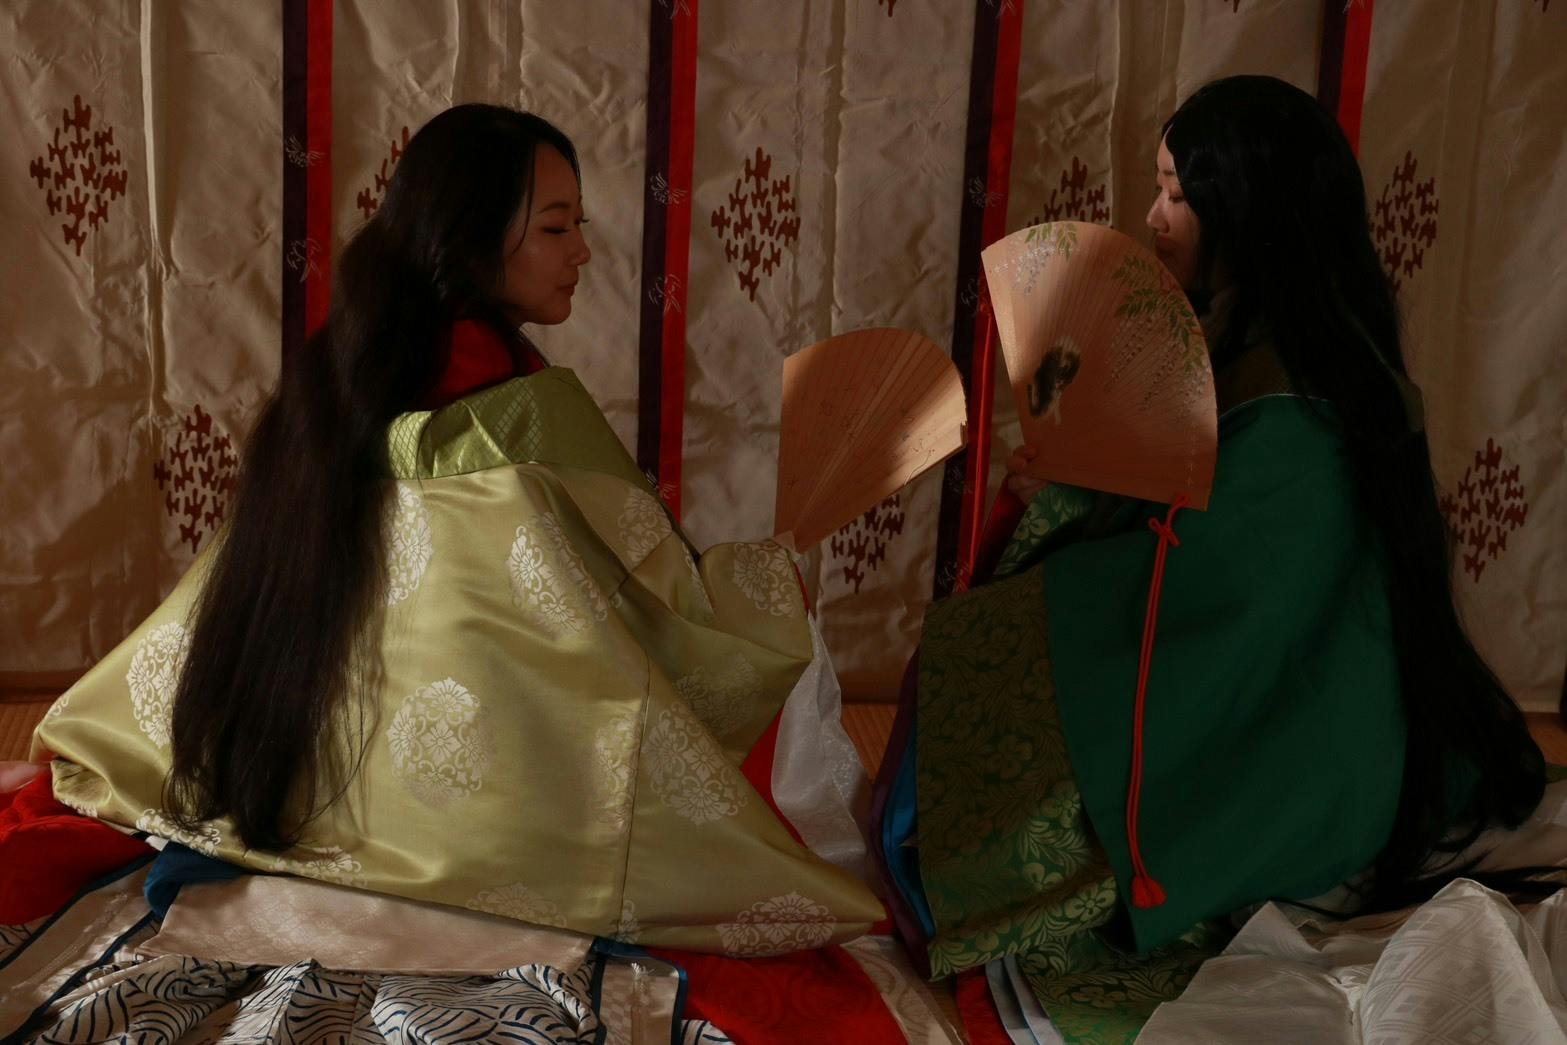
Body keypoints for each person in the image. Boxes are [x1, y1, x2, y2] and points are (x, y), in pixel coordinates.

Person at [26, 103, 880, 971]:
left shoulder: (348, 367)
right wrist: (765, 578)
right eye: (555, 227)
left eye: (578, 224)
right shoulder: (517, 402)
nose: (582, 251)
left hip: (308, 777)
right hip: (483, 809)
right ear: (470, 238)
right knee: (767, 623)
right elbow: (649, 588)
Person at [874, 75, 1548, 1042]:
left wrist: (1061, 516)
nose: (1153, 217)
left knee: (990, 655)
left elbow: (1215, 587)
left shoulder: (1297, 406)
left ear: (1248, 211)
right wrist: (1075, 492)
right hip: (1276, 696)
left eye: (1176, 195)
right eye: (1159, 189)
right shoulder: (1249, 338)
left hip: (1296, 738)